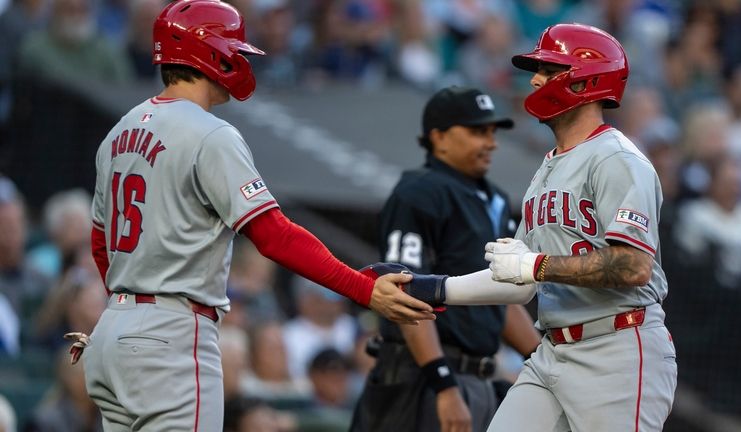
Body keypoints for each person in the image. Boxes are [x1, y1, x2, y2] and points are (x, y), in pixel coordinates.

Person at [73, 1, 434, 430]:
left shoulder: (118, 133)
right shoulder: (210, 133)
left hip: (112, 332)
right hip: (169, 336)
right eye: (233, 49)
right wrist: (362, 288)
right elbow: (274, 237)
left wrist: (122, 311)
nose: (240, 59)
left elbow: (102, 246)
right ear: (205, 52)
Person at [366, 23, 678, 432]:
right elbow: (519, 279)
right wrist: (434, 287)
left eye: (549, 70)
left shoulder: (617, 158)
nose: (535, 80)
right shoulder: (548, 165)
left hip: (617, 347)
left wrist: (536, 266)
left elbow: (632, 266)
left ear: (585, 81)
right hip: (553, 352)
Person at [350, 86, 541, 432]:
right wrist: (444, 384)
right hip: (423, 379)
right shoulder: (420, 191)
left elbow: (499, 297)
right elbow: (404, 292)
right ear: (439, 137)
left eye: (492, 132)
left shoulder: (493, 198)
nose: (490, 142)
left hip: (478, 379)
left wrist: (542, 362)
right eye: (476, 131)